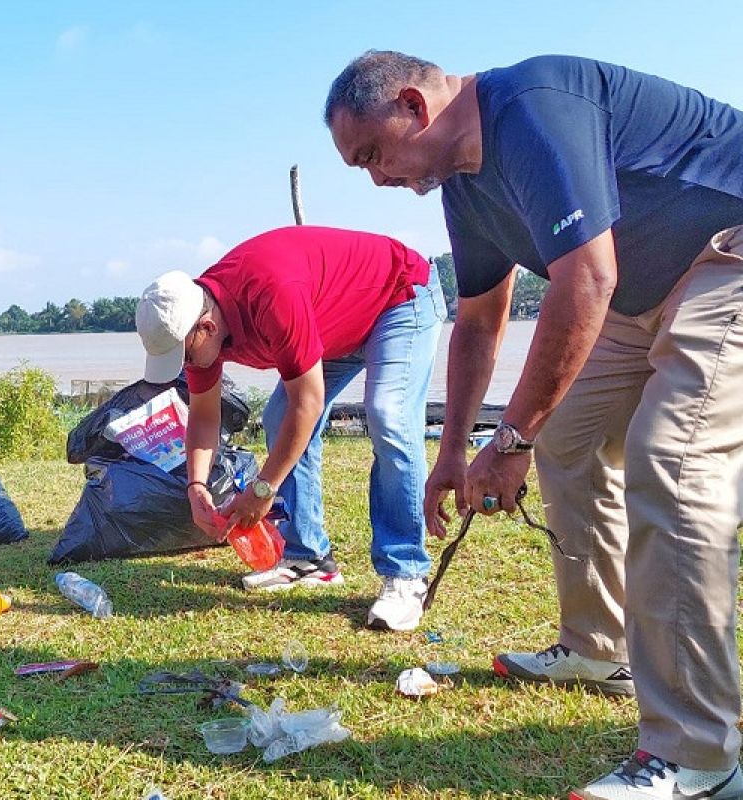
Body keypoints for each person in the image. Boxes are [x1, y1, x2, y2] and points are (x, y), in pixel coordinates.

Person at [324, 51, 743, 798]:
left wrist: (510, 438)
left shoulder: (533, 104)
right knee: (567, 439)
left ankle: (699, 753)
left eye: (371, 154)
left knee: (670, 460)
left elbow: (587, 276)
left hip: (728, 251)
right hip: (644, 292)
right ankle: (598, 646)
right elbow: (479, 323)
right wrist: (455, 451)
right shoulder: (465, 187)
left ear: (414, 108)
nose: (377, 178)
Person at [135, 225, 445, 630]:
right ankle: (308, 558)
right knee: (280, 416)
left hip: (399, 297)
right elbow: (205, 416)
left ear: (206, 327)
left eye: (185, 355)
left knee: (387, 415)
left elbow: (309, 402)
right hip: (334, 326)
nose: (188, 367)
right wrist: (195, 487)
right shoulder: (201, 320)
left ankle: (406, 574)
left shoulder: (270, 293)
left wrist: (263, 488)